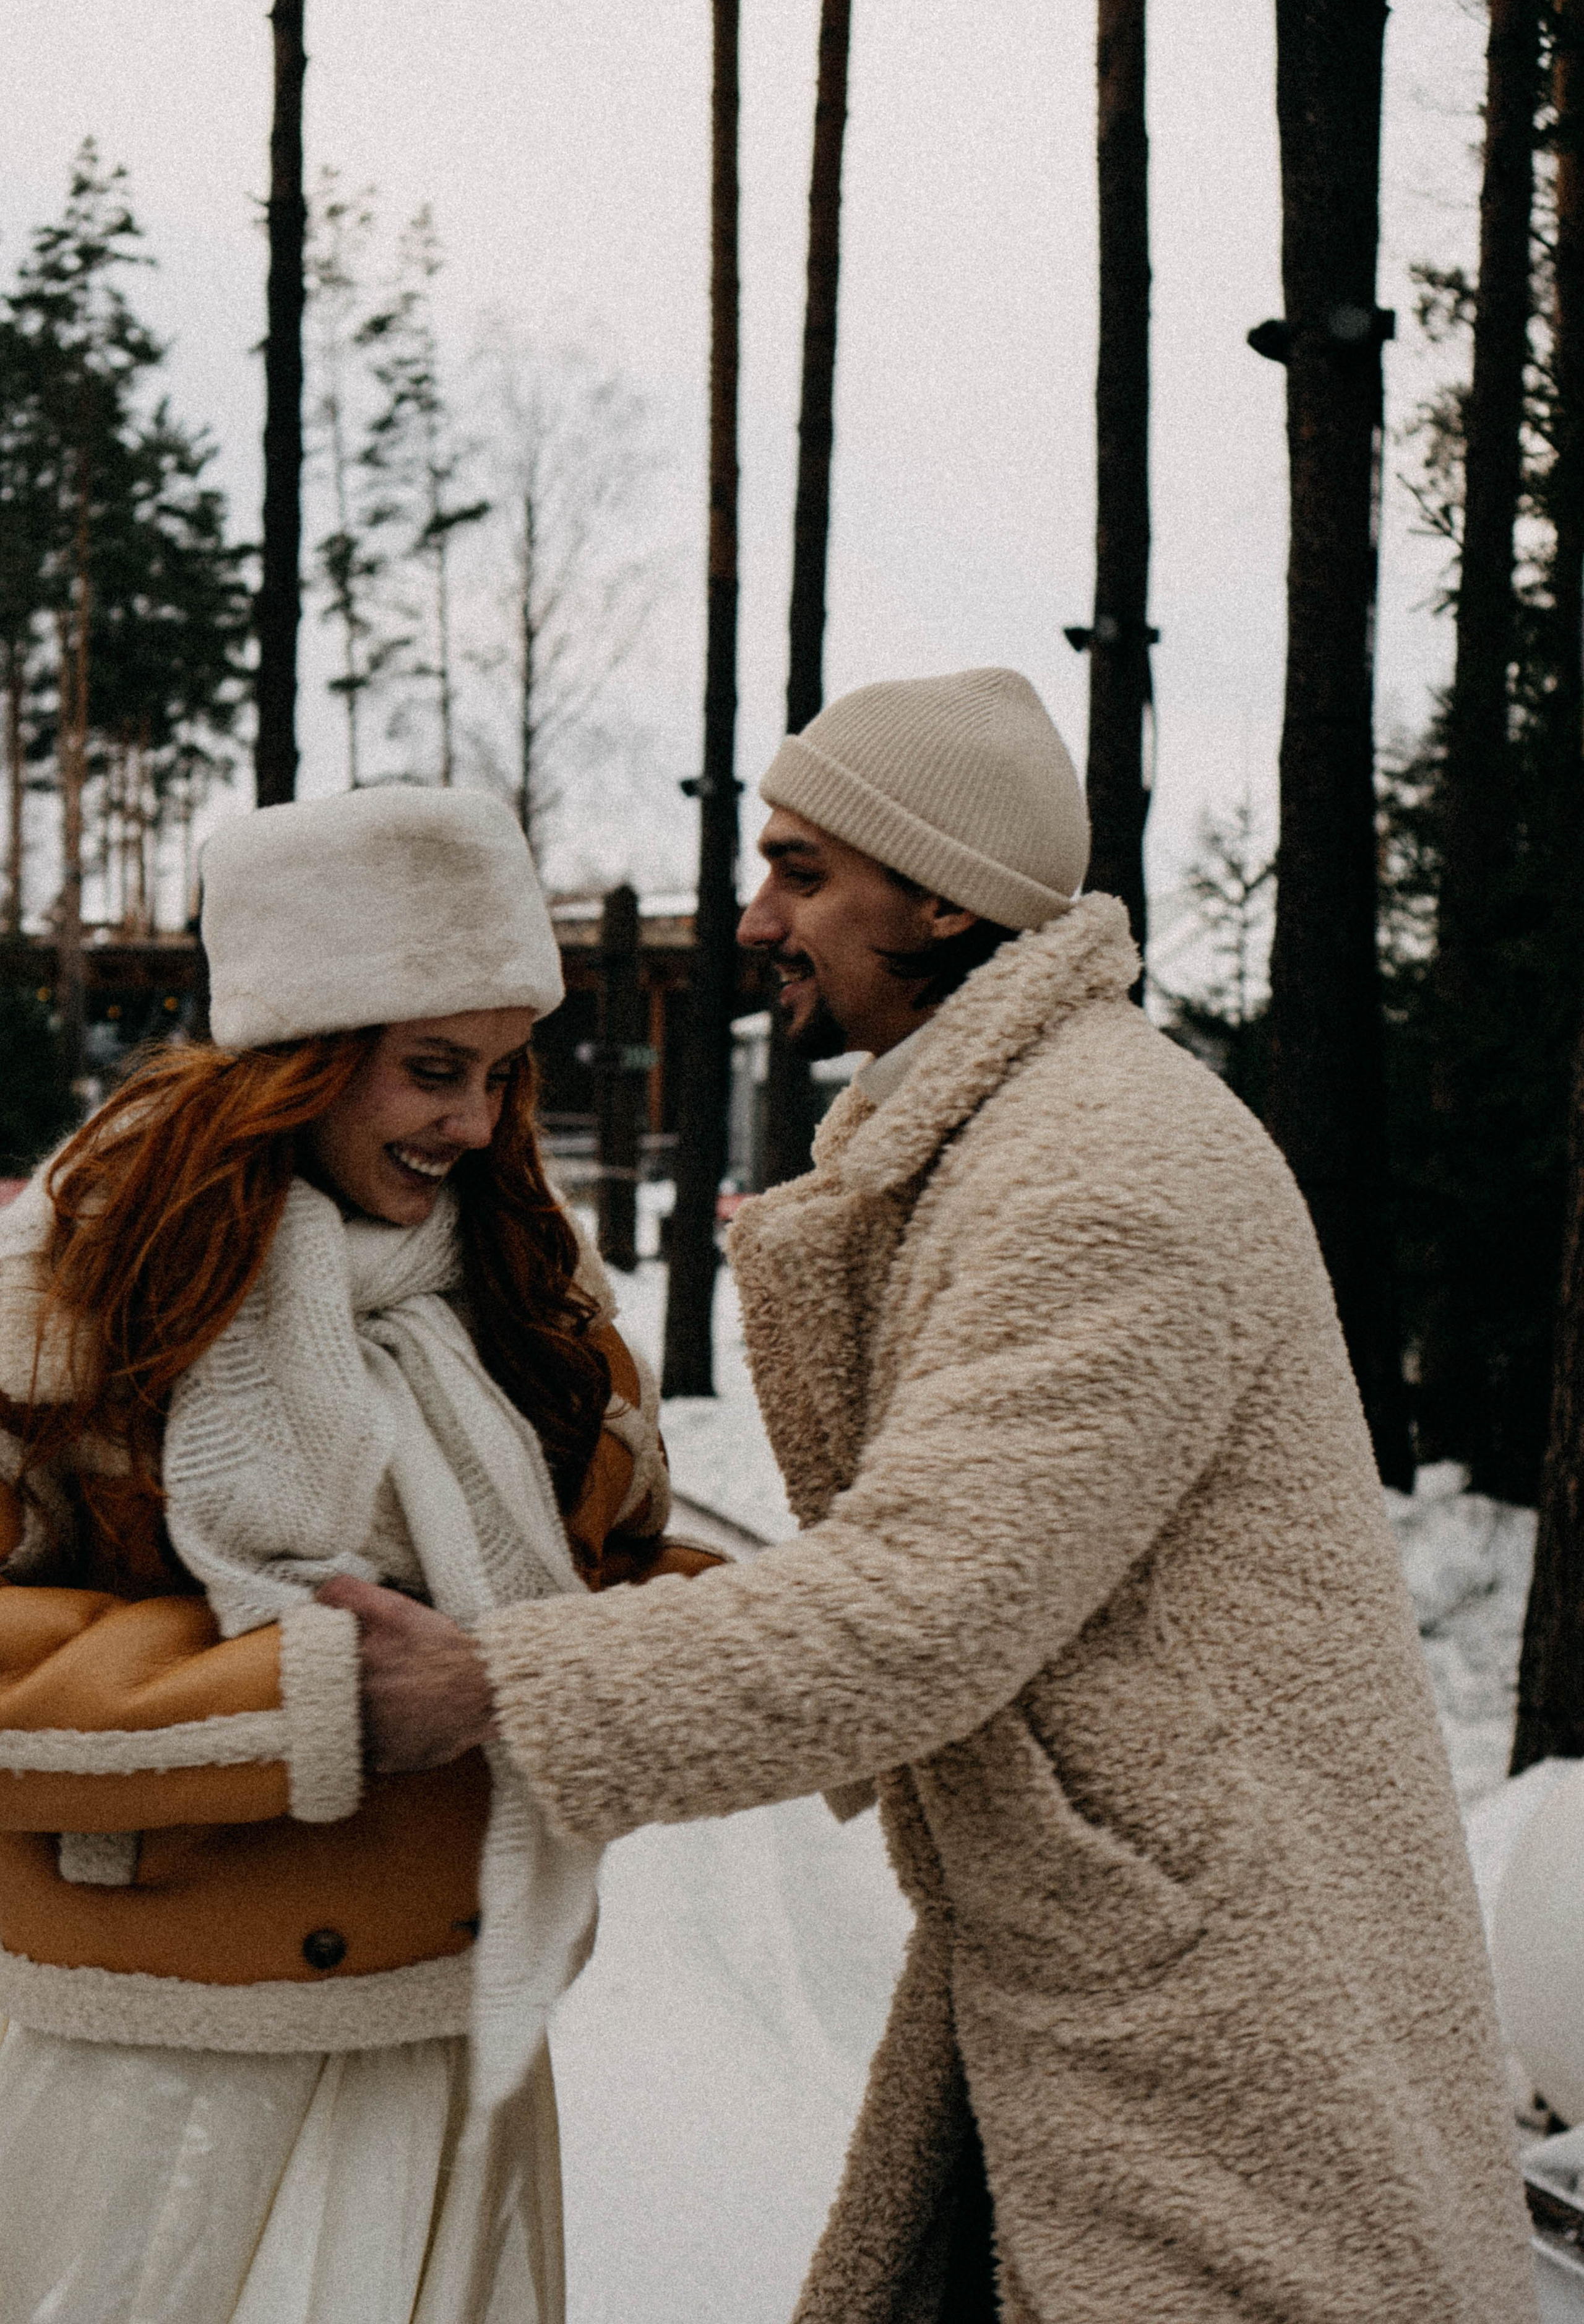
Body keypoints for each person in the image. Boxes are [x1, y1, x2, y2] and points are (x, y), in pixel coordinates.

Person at [327, 667, 1536, 2323]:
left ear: (944, 894)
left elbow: (926, 1602)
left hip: (1229, 2012)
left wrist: (489, 1683)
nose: (759, 921)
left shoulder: (1109, 1167)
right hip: (1101, 1957)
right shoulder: (1011, 1139)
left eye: (802, 873)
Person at [0, 785, 719, 2324]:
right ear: (291, 1061)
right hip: (161, 2067)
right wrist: (303, 1700)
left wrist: (790, 1641)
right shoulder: (72, 1283)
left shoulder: (534, 1286)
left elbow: (615, 1559)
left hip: (453, 2035)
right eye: (430, 1072)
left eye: (503, 1075)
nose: (472, 1123)